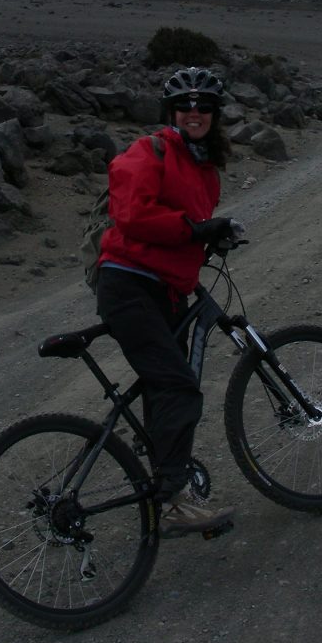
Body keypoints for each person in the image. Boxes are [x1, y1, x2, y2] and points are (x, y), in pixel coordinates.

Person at [95, 66, 238, 538]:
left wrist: (211, 238)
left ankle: (164, 489)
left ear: (215, 114)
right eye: (185, 105)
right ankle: (173, 501)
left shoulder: (204, 168)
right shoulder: (149, 151)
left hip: (166, 289)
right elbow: (133, 214)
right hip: (129, 286)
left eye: (204, 106)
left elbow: (187, 224)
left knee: (165, 389)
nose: (194, 113)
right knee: (178, 387)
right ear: (171, 111)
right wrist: (193, 231)